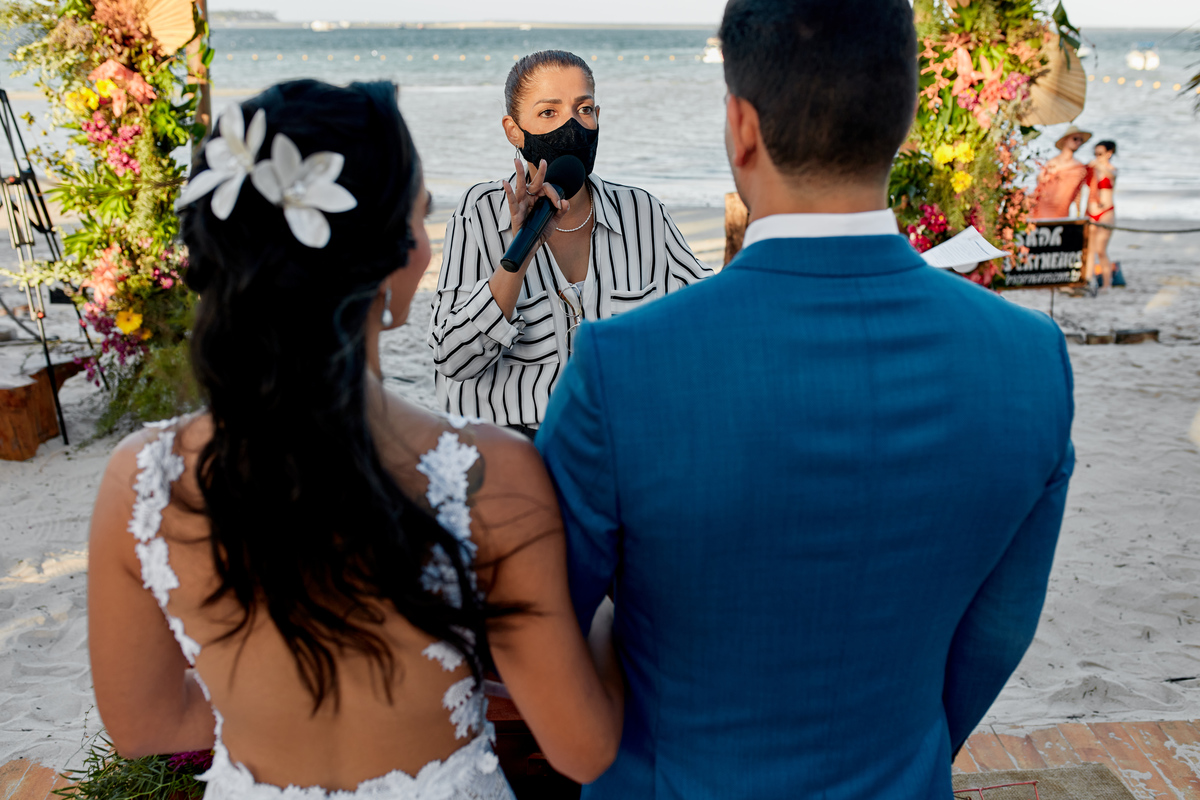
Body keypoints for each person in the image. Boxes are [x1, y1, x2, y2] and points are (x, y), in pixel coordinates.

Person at [537, 1, 1076, 797]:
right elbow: (993, 640)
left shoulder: (622, 367)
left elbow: (543, 627)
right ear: (901, 119)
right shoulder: (1032, 362)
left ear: (741, 125)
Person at [87, 80, 623, 799]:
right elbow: (584, 751)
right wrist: (620, 613)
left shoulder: (142, 480)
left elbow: (146, 724)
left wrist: (277, 717)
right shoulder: (488, 473)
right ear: (396, 257)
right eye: (421, 217)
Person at [428, 50, 712, 439]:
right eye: (549, 112)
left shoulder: (642, 212)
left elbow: (708, 316)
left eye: (585, 109)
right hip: (511, 452)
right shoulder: (479, 214)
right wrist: (521, 249)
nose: (574, 126)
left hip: (615, 444)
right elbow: (452, 357)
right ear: (514, 131)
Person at [1029, 125, 1091, 220]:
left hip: (1063, 209)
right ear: (1065, 140)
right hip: (1045, 206)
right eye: (1075, 139)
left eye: (1081, 140)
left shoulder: (1080, 167)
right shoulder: (1051, 163)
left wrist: (1079, 213)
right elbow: (1040, 186)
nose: (1078, 142)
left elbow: (1078, 192)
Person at [1086, 139, 1119, 289]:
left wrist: (1098, 165)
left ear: (1109, 154)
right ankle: (1089, 280)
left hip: (1106, 212)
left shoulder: (1111, 169)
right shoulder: (1091, 170)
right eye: (1095, 154)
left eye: (1100, 153)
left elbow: (1111, 174)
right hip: (1091, 212)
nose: (1097, 156)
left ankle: (1107, 284)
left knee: (1101, 250)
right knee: (1090, 250)